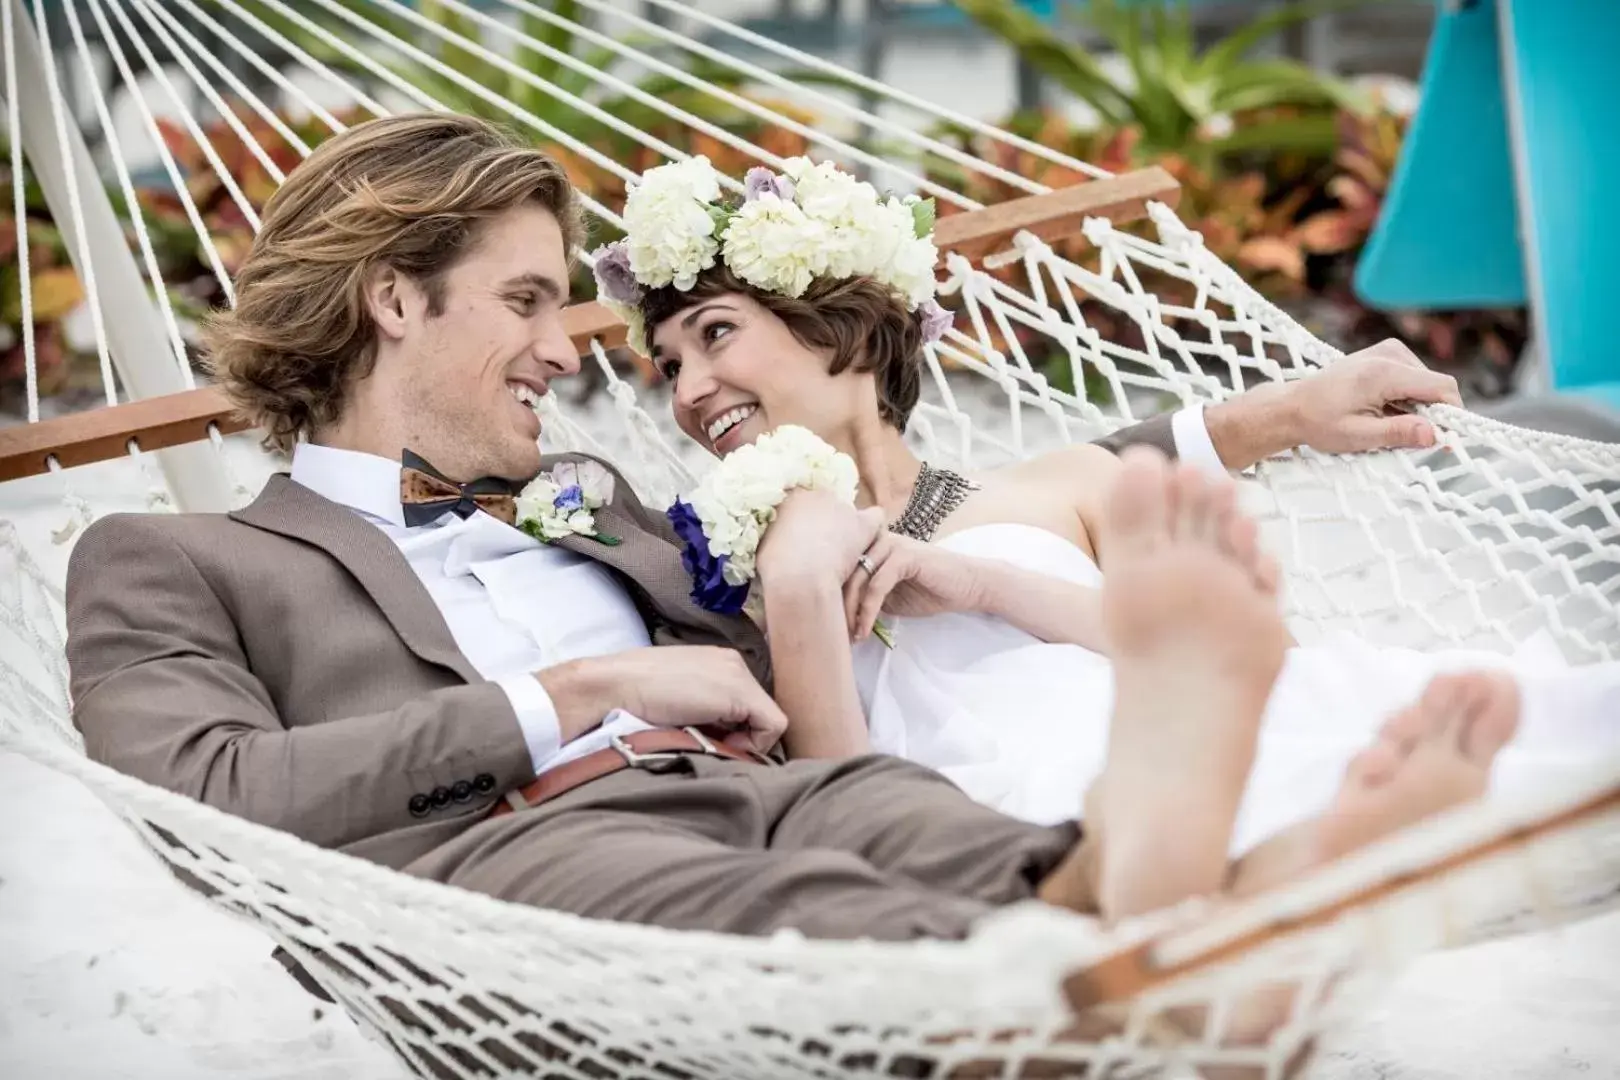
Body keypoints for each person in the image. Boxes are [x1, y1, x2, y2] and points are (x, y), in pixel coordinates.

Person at [64, 114, 1507, 1010]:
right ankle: (1188, 950)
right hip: (522, 855)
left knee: (973, 849)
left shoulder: (576, 496)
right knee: (858, 936)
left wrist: (1256, 420)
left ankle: (1196, 913)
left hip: (794, 789)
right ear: (392, 299)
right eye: (523, 303)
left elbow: (907, 488)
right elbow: (204, 795)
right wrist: (578, 688)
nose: (569, 355)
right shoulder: (171, 558)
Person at [624, 155, 1620, 852]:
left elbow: (1240, 662)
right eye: (667, 366)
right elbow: (840, 811)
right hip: (1036, 835)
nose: (687, 393)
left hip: (1229, 731)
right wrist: (799, 573)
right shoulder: (727, 591)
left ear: (832, 319)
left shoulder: (1058, 485)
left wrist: (977, 580)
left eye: (715, 335)